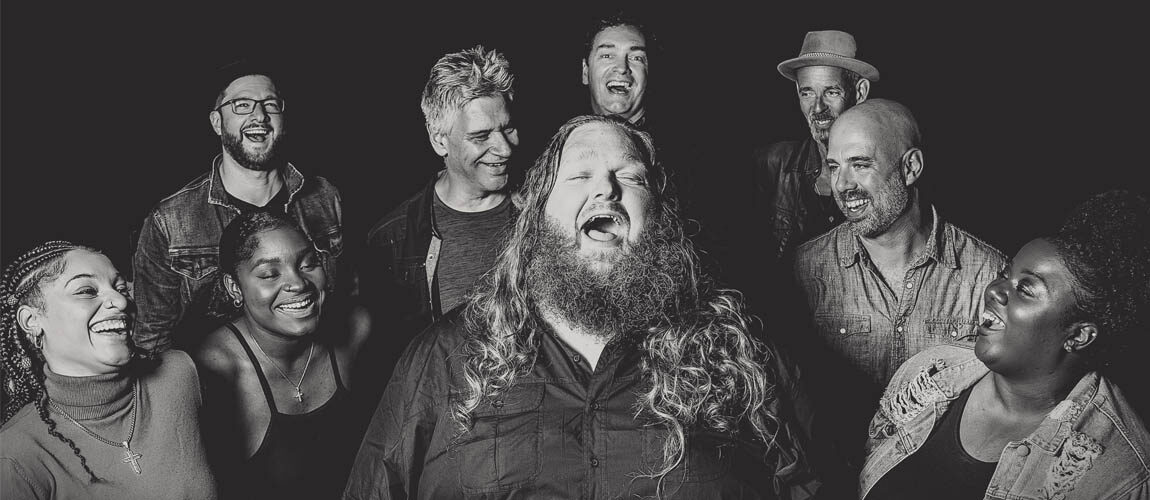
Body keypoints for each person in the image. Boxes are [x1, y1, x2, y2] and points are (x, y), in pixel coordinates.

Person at [344, 115, 817, 499]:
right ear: (537, 213)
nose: (606, 189)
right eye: (579, 175)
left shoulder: (740, 351)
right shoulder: (444, 358)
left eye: (630, 176)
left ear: (661, 213)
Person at [861, 190, 1150, 499]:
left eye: (1025, 288)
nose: (995, 290)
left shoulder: (1119, 475)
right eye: (1005, 274)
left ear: (1079, 336)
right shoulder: (928, 373)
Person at [789, 99, 1006, 477]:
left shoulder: (988, 274)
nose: (842, 186)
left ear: (911, 167)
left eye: (860, 164)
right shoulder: (803, 270)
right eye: (835, 167)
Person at [133, 60, 345, 356]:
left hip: (313, 370)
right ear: (217, 123)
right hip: (215, 386)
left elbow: (349, 301)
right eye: (242, 105)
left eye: (270, 105)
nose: (259, 115)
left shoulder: (323, 197)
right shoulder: (170, 219)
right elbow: (152, 339)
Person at [1, 241, 217, 499]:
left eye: (121, 288)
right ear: (32, 321)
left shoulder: (181, 374)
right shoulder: (16, 457)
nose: (121, 301)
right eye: (86, 291)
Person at [192, 211, 370, 499]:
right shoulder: (212, 369)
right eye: (269, 274)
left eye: (308, 263)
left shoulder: (357, 331)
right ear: (234, 288)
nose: (298, 283)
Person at [363, 45, 518, 359]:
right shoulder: (392, 240)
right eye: (481, 135)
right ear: (439, 140)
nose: (504, 148)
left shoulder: (547, 211)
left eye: (508, 128)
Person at [753, 30, 878, 266]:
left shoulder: (885, 170)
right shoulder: (770, 163)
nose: (817, 108)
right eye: (807, 92)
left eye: (831, 92)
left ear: (859, 92)